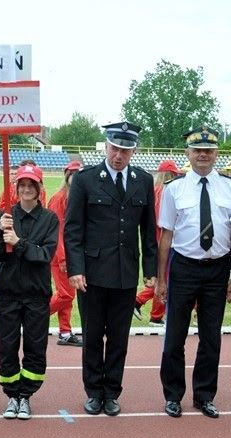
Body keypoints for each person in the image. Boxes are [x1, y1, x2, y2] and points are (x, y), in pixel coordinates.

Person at [65, 121, 157, 417]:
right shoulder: (86, 179)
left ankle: (112, 391)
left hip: (125, 273)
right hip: (91, 274)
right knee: (92, 336)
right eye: (115, 148)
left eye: (126, 150)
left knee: (119, 337)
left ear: (134, 151)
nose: (119, 155)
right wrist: (76, 268)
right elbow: (73, 229)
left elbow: (149, 229)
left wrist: (150, 268)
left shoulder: (143, 181)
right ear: (106, 146)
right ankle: (94, 392)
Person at [154, 127, 231, 419]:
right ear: (188, 154)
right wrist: (161, 278)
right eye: (197, 150)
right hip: (184, 267)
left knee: (211, 337)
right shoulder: (174, 189)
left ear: (216, 153)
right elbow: (165, 236)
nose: (203, 155)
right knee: (174, 337)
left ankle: (204, 395)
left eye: (209, 150)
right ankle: (173, 395)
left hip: (217, 269)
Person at [0, 165, 58, 420]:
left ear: (39, 189)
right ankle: (11, 395)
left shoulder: (49, 219)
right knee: (7, 347)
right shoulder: (4, 215)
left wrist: (19, 243)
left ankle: (26, 396)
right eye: (22, 185)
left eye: (32, 185)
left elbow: (44, 255)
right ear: (16, 188)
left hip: (36, 294)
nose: (26, 189)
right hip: (7, 292)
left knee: (35, 347)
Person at [134, 159, 180, 326]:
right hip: (165, 240)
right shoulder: (167, 191)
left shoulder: (152, 190)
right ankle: (154, 313)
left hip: (152, 240)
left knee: (161, 278)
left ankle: (150, 309)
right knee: (164, 279)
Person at [49, 161, 85, 345]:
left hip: (73, 254)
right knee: (66, 295)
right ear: (67, 175)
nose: (76, 176)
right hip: (60, 255)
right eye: (73, 173)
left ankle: (65, 332)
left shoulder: (77, 197)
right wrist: (63, 257)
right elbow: (57, 231)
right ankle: (35, 314)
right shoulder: (59, 198)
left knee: (67, 296)